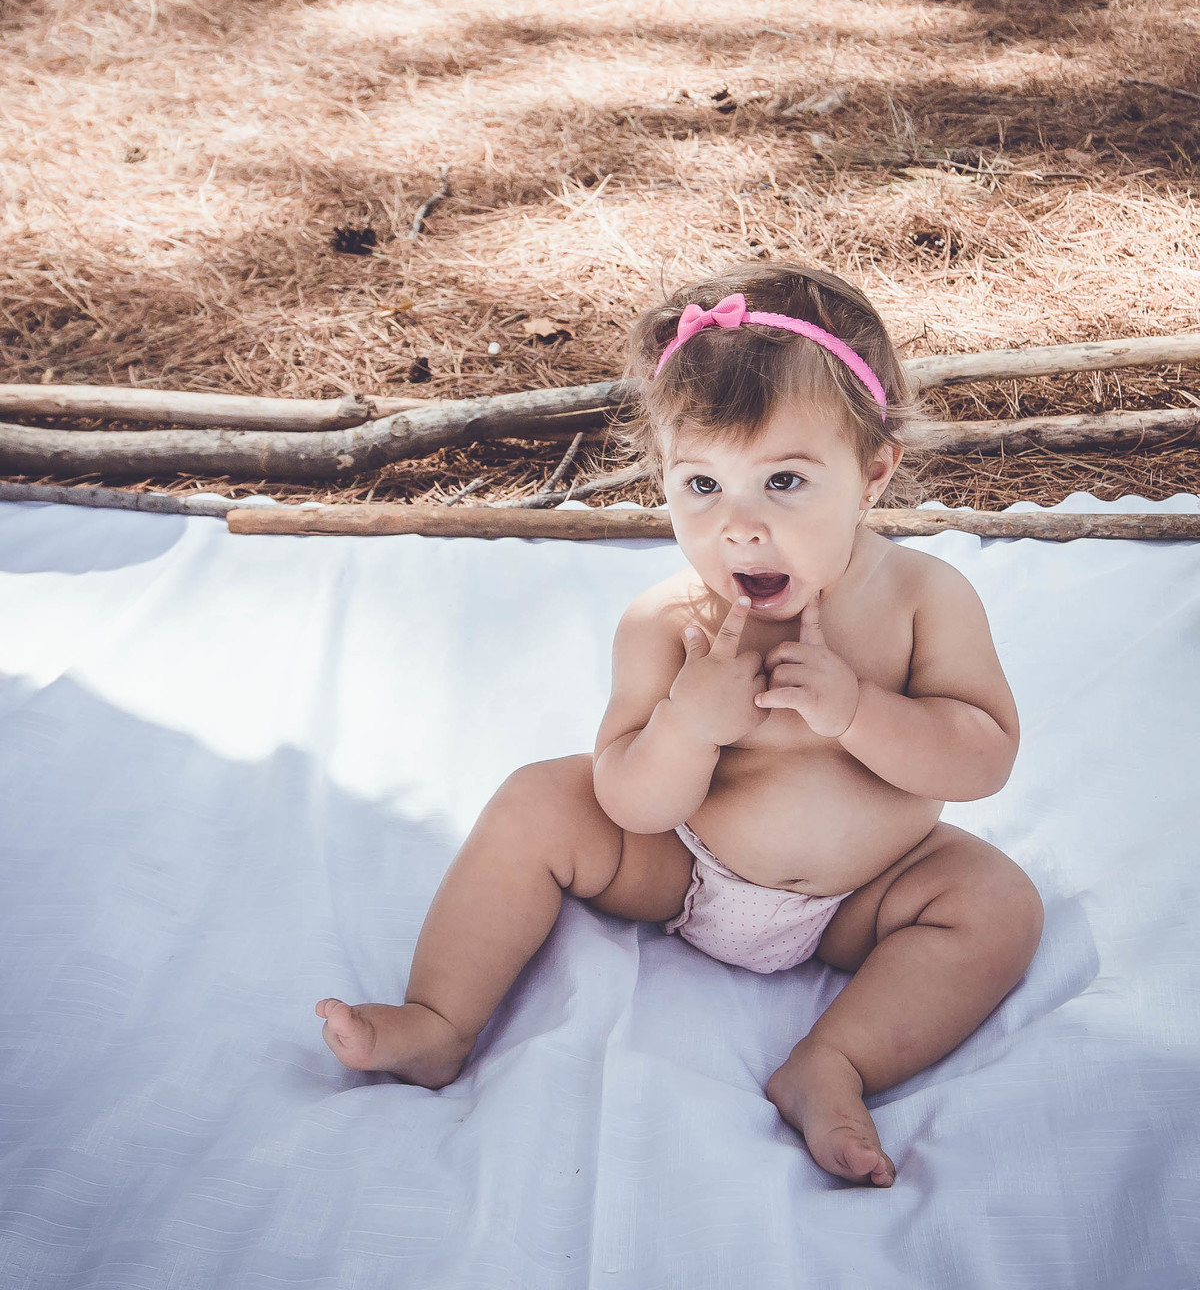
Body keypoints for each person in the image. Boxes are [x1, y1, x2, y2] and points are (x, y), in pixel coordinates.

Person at [316, 262, 1044, 1188]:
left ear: (874, 471)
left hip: (866, 895)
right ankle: (440, 1021)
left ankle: (834, 1063)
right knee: (541, 797)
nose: (738, 528)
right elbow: (629, 800)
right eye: (702, 485)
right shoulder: (669, 623)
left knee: (997, 905)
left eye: (784, 480)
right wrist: (686, 726)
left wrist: (857, 709)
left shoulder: (922, 600)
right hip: (687, 871)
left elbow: (984, 757)